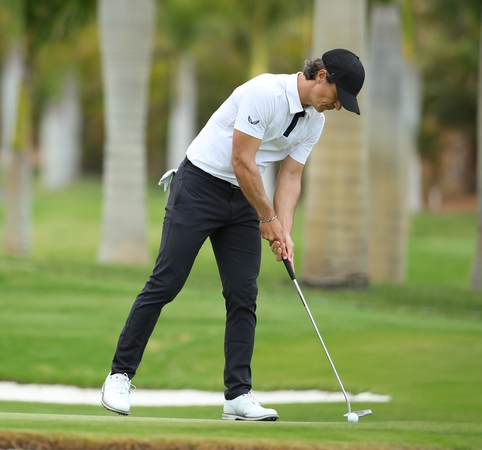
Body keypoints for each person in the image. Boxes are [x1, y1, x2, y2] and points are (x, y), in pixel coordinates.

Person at [100, 49, 365, 421]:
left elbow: (290, 177)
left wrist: (283, 231)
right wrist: (267, 217)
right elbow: (242, 159)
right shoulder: (266, 92)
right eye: (339, 96)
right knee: (167, 282)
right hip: (199, 187)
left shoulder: (313, 123)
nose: (338, 105)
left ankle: (238, 395)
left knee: (243, 293)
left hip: (244, 198)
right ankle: (119, 375)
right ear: (322, 75)